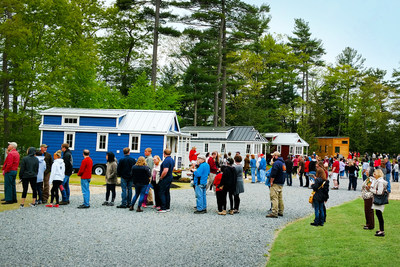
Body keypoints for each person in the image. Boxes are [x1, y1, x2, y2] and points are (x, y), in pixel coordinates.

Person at [266, 151, 286, 218]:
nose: (272, 157)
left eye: (273, 156)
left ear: (276, 156)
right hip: (281, 182)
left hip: (276, 182)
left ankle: (274, 212)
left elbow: (273, 173)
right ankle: (281, 211)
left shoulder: (276, 163)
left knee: (274, 197)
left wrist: (271, 181)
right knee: (280, 198)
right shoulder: (283, 163)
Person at [371, 169, 388, 237]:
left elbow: (380, 192)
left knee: (379, 215)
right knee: (378, 214)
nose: (373, 175)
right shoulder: (380, 181)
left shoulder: (380, 182)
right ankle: (381, 229)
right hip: (379, 199)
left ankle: (382, 230)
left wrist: (372, 190)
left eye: (375, 174)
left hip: (379, 200)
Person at [310, 162, 329, 226]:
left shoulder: (318, 180)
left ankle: (316, 221)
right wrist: (326, 197)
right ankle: (322, 222)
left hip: (317, 195)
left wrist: (312, 185)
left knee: (316, 209)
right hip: (322, 196)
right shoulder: (325, 181)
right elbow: (326, 190)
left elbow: (315, 188)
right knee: (321, 209)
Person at [158, 149, 175, 213]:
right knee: (167, 192)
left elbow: (165, 170)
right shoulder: (172, 160)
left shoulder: (166, 161)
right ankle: (167, 207)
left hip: (165, 178)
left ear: (164, 153)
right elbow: (173, 168)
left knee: (162, 192)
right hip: (170, 177)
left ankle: (163, 207)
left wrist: (161, 177)